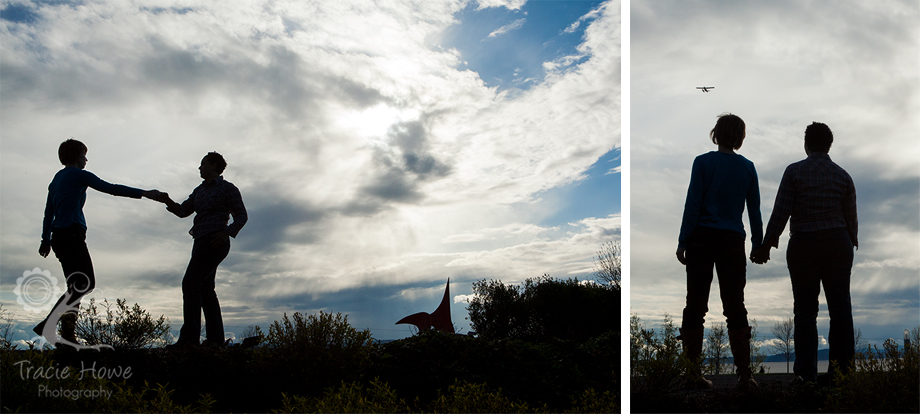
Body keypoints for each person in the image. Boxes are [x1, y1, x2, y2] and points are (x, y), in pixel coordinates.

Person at [752, 122, 857, 385]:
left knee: (805, 311)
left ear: (806, 144)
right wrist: (852, 240)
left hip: (805, 245)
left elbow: (781, 212)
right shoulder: (843, 176)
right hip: (837, 242)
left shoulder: (794, 171)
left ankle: (806, 376)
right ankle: (842, 373)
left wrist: (766, 246)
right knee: (840, 308)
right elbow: (851, 219)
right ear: (829, 145)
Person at [35, 139, 164, 346]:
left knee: (75, 285)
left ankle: (67, 336)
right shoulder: (79, 175)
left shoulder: (57, 178)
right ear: (77, 156)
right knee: (85, 284)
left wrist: (45, 240)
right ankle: (49, 324)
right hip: (72, 235)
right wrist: (144, 193)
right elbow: (111, 188)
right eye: (84, 155)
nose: (86, 159)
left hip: (58, 237)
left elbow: (48, 213)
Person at [676, 113, 762, 390]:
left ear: (716, 133)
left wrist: (683, 240)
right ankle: (745, 375)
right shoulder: (748, 167)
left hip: (701, 238)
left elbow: (693, 204)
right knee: (735, 304)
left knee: (695, 305)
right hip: (732, 240)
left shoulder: (702, 162)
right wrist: (758, 244)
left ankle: (691, 374)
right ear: (740, 137)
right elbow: (754, 211)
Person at [160, 152, 247, 348]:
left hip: (215, 242)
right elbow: (183, 211)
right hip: (199, 242)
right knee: (206, 289)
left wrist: (226, 233)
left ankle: (189, 339)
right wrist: (167, 201)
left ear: (214, 166)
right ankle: (215, 340)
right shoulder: (199, 190)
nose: (199, 168)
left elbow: (241, 216)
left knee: (190, 283)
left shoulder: (228, 188)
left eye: (203, 164)